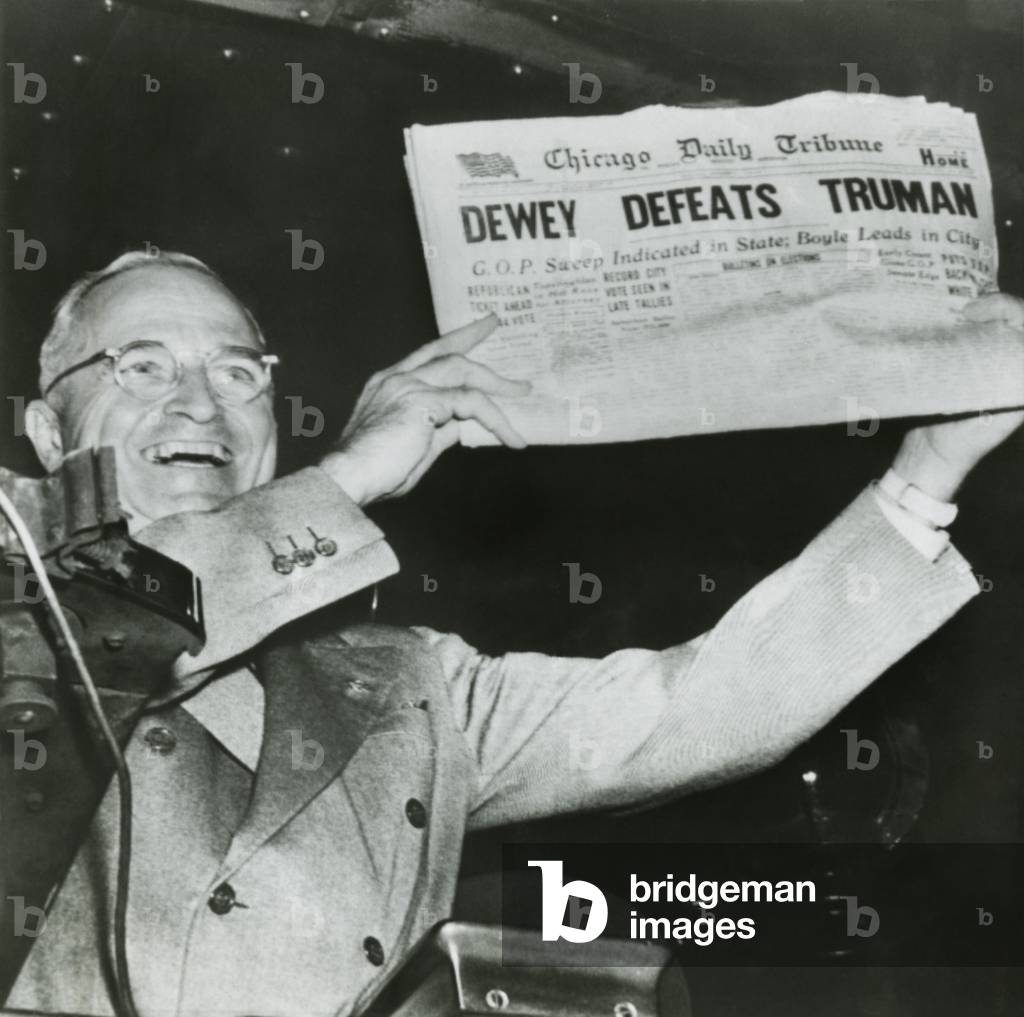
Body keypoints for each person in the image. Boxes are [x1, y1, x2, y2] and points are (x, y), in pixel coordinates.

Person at [6, 250, 1022, 1017]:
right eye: (141, 366)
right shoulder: (19, 603)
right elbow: (117, 626)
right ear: (48, 433)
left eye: (239, 372)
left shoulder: (397, 682)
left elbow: (697, 708)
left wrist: (924, 475)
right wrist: (353, 476)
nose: (201, 403)